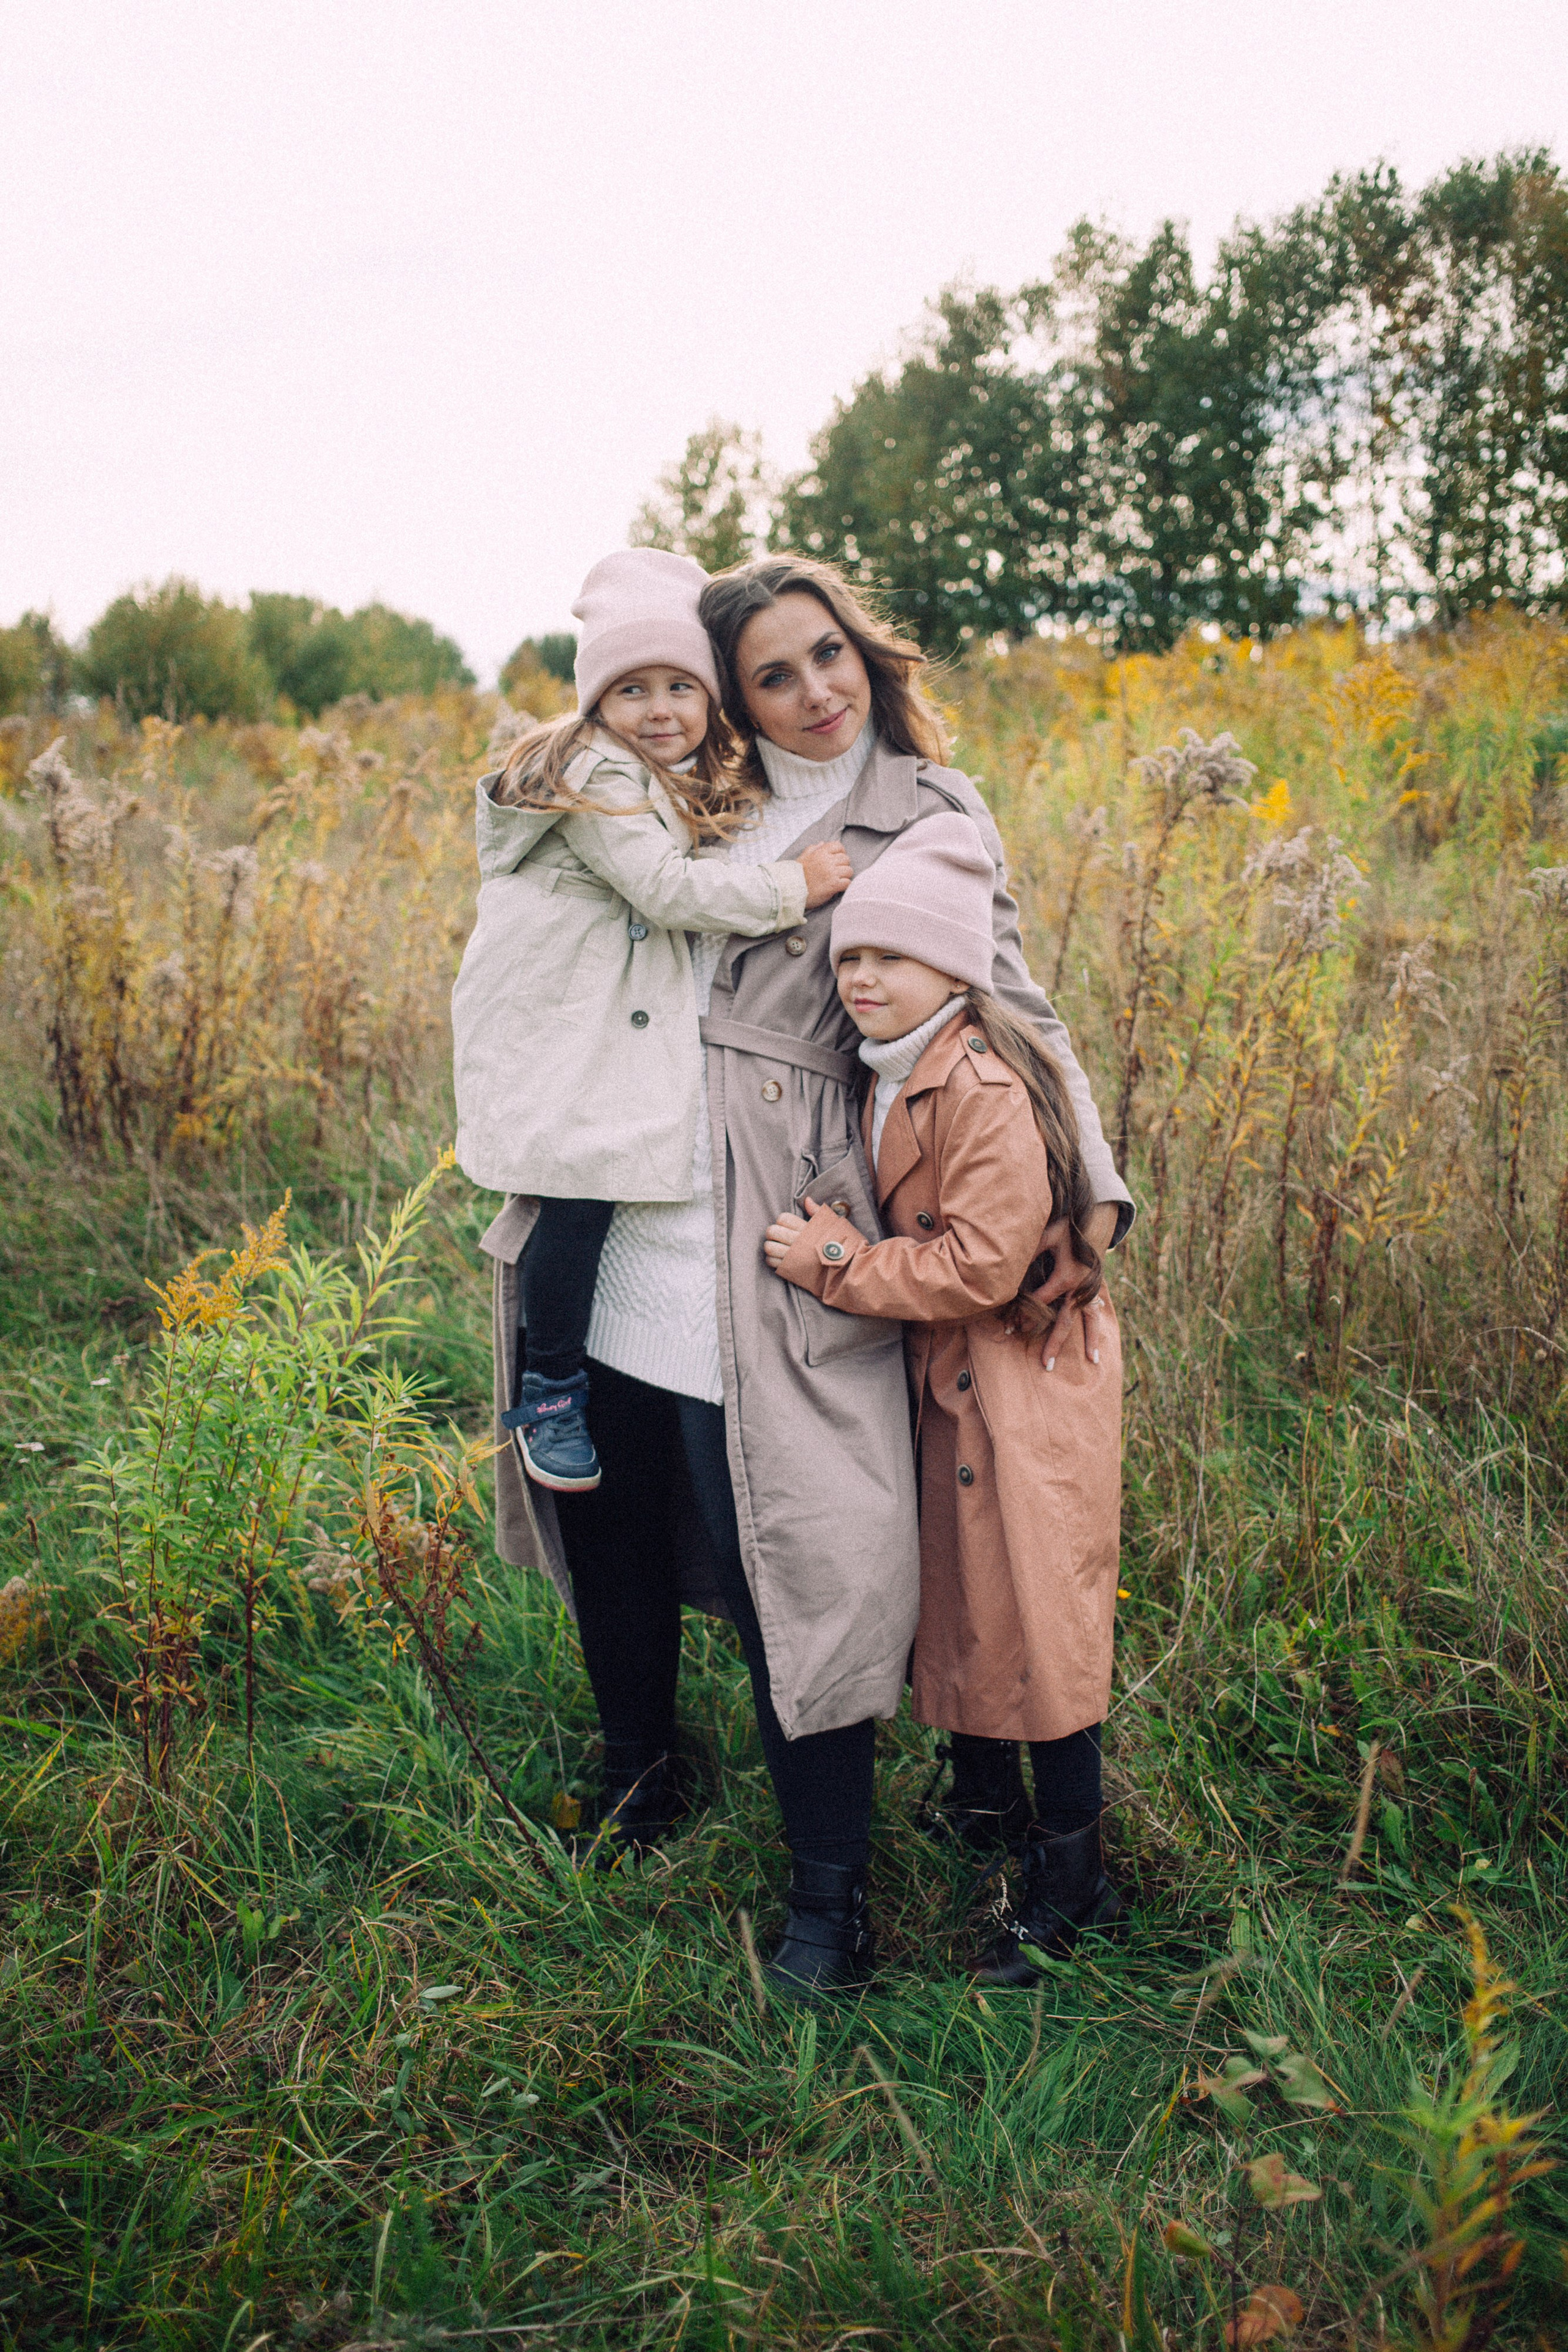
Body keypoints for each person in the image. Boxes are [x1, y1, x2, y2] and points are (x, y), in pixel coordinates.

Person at [479, 554, 1133, 1997]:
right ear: (727, 693)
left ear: (864, 652)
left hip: (781, 1203)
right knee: (614, 1506)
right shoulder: (671, 789)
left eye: (827, 655)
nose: (813, 692)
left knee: (805, 1538)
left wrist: (1086, 1189)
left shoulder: (924, 810)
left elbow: (1013, 1005)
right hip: (615, 1176)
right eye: (770, 674)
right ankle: (642, 1767)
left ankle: (828, 1900)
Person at [764, 812, 1127, 1985]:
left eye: (892, 958)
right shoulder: (896, 1067)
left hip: (1020, 1383)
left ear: (957, 967)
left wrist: (837, 1267)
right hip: (962, 1386)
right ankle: (986, 1811)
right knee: (971, 1597)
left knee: (1038, 1619)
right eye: (850, 959)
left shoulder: (973, 1081)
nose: (862, 978)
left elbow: (982, 1261)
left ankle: (1077, 1885)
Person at [451, 546, 852, 1492]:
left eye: (682, 686)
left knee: (586, 1183)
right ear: (596, 705)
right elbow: (665, 889)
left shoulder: (641, 771)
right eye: (633, 690)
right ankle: (546, 1393)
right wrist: (796, 883)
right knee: (577, 1189)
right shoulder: (598, 770)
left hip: (577, 1014)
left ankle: (559, 1384)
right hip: (556, 1022)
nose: (661, 709)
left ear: (713, 700)